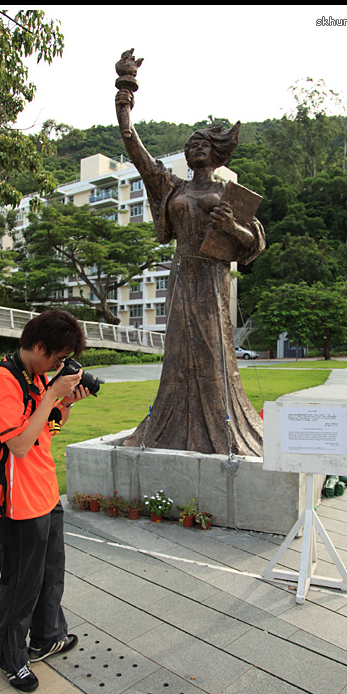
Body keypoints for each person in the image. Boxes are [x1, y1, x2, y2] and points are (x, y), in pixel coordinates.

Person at [115, 59, 266, 457]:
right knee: (179, 355)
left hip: (213, 281)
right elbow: (135, 149)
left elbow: (253, 246)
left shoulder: (230, 195)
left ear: (216, 153)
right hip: (183, 277)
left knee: (214, 354)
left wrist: (232, 227)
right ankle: (171, 427)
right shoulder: (172, 187)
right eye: (191, 144)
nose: (196, 147)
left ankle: (221, 430)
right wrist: (124, 101)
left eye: (204, 144)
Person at [0, 309, 89, 692]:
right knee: (19, 583)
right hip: (17, 501)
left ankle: (47, 636)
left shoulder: (38, 378)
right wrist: (52, 395)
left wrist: (66, 402)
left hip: (44, 493)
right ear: (39, 346)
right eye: (57, 358)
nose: (60, 365)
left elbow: (47, 432)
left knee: (50, 573)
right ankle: (11, 658)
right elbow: (20, 444)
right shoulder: (2, 380)